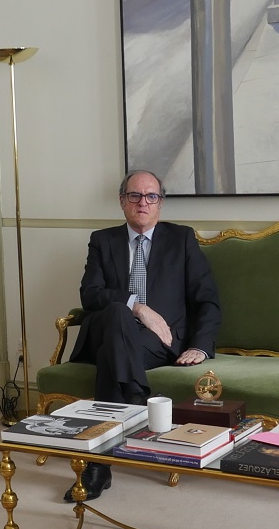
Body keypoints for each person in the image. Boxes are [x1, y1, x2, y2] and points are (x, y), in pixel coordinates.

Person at [63, 170, 222, 501]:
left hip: (154, 342)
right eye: (135, 195)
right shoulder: (102, 240)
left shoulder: (181, 239)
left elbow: (206, 298)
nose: (143, 202)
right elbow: (89, 295)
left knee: (113, 352)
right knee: (118, 313)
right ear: (122, 202)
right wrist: (138, 307)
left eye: (151, 196)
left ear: (160, 204)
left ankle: (98, 466)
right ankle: (136, 401)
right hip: (110, 329)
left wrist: (200, 347)